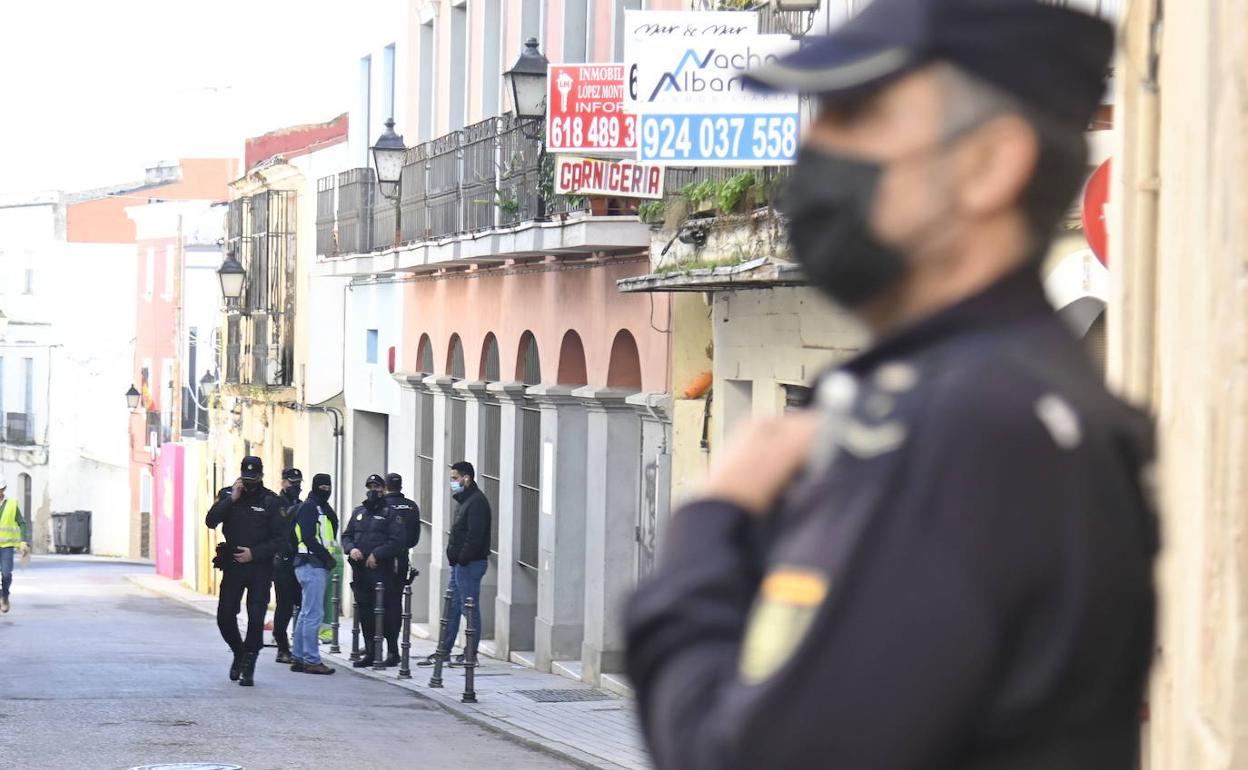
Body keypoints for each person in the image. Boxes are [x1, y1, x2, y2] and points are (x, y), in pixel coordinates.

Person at [625, 2, 1158, 769]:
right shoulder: (1005, 394)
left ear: (989, 164)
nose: (816, 148)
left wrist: (712, 522)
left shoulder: (967, 425)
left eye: (858, 115)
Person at [206, 456, 290, 687]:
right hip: (233, 565)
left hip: (259, 567)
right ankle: (239, 652)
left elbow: (281, 539)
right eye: (246, 478)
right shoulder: (228, 494)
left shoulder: (271, 502)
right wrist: (231, 499)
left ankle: (249, 664)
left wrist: (255, 553)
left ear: (261, 476)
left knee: (256, 616)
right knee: (225, 616)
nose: (249, 482)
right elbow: (211, 521)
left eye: (253, 478)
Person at [421, 461, 490, 668]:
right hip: (460, 564)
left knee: (469, 608)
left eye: (454, 478)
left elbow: (474, 535)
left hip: (469, 564)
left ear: (466, 478)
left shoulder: (476, 502)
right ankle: (443, 651)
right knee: (452, 607)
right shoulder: (464, 500)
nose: (452, 482)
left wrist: (462, 557)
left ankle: (470, 654)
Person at [341, 474, 405, 668]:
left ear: (383, 490)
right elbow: (346, 536)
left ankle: (392, 651)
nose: (373, 490)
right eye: (370, 487)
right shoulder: (359, 512)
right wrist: (351, 549)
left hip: (382, 571)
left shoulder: (391, 514)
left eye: (377, 487)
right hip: (361, 572)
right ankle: (370, 652)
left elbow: (397, 541)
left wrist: (377, 554)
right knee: (366, 613)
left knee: (388, 612)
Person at [290, 473, 337, 676]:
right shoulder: (310, 507)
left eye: (328, 487)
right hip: (312, 564)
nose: (326, 491)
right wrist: (326, 557)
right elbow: (309, 537)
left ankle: (299, 657)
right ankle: (311, 659)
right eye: (323, 487)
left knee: (305, 613)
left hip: (309, 564)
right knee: (313, 614)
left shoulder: (318, 507)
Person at [271, 467, 303, 664]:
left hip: (299, 561)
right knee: (284, 605)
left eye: (298, 483)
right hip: (282, 561)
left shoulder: (300, 504)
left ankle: (298, 646)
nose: (295, 487)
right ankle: (282, 647)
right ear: (283, 482)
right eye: (292, 483)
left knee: (302, 604)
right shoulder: (275, 504)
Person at [383, 472, 421, 583]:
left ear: (385, 487)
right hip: (403, 554)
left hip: (383, 556)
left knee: (382, 590)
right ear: (400, 487)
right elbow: (415, 534)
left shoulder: (381, 505)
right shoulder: (412, 506)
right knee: (399, 588)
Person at [0, 477, 29, 614]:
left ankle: (5, 596)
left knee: (6, 574)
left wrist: (23, 541)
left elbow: (22, 523)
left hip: (7, 546)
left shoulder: (11, 504)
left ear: (4, 489)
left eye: (0, 489)